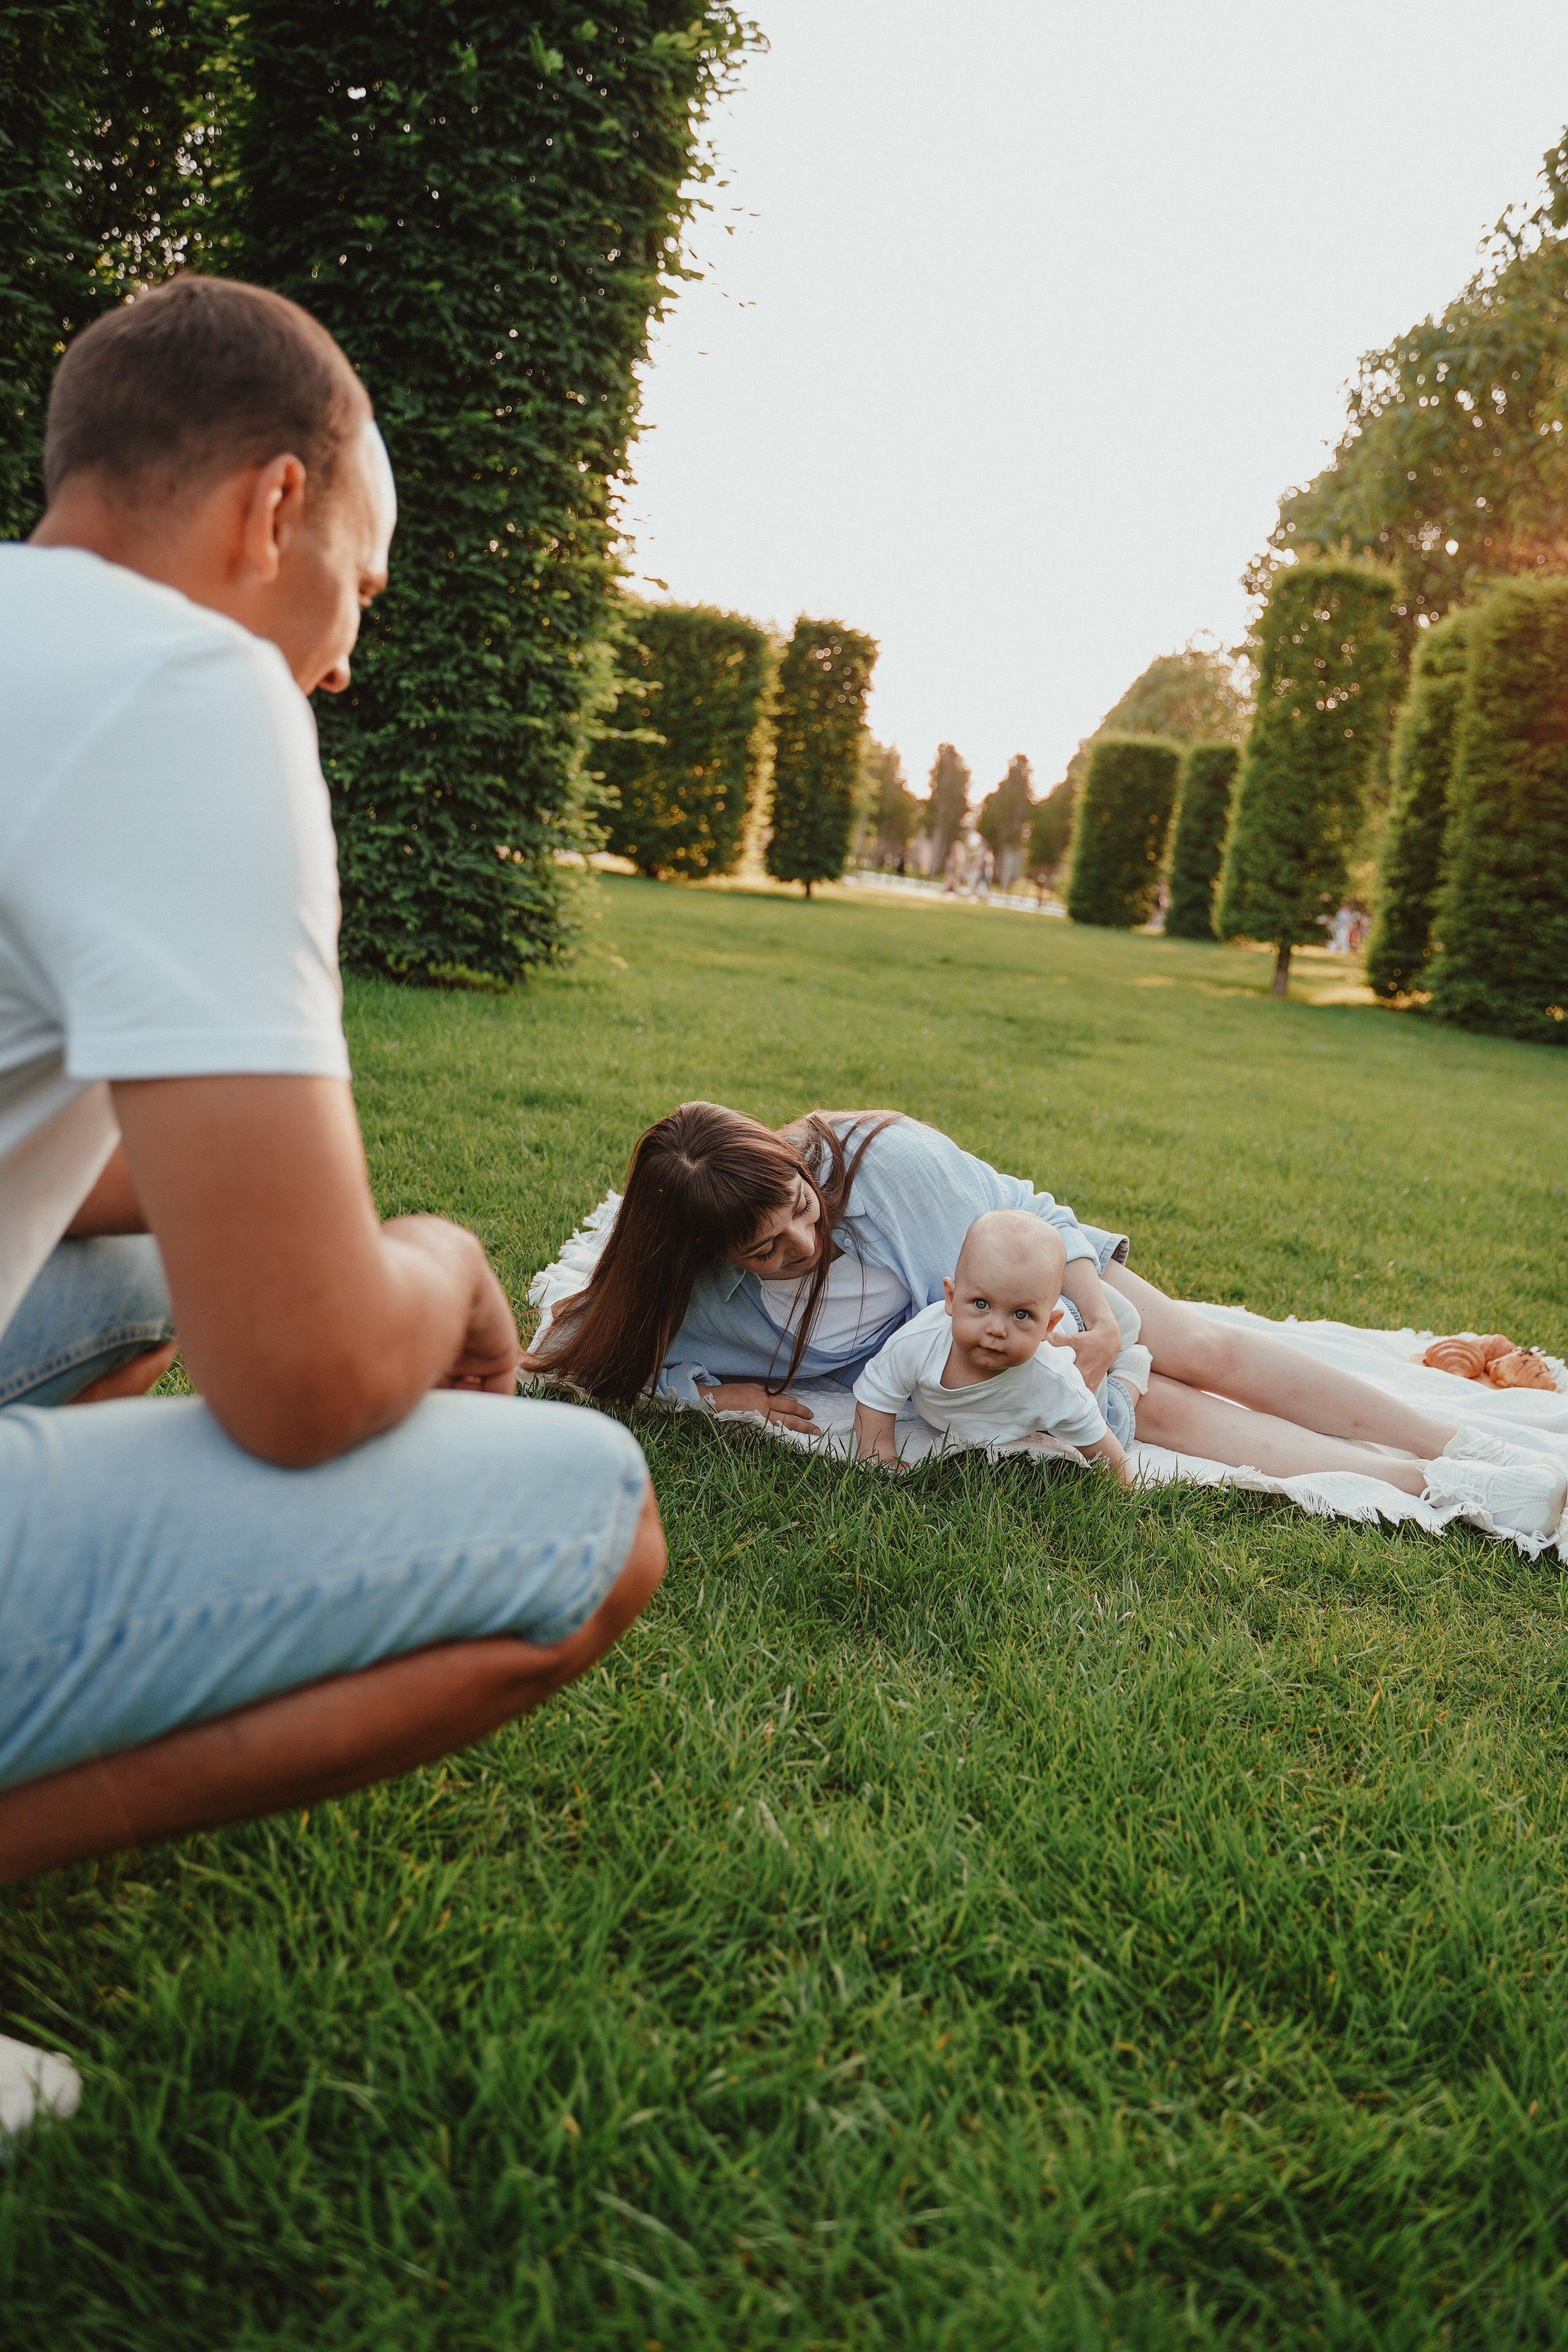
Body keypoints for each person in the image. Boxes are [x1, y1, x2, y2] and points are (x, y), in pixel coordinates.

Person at [0, 279, 666, 2064]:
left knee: (142, 1272)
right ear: (272, 506)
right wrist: (438, 1260)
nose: (345, 656)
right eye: (355, 588)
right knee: (592, 1521)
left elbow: (91, 1181)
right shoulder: (185, 685)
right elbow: (296, 1380)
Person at [526, 1103, 1566, 1540]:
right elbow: (582, 1357)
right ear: (712, 1260)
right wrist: (720, 1387)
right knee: (1170, 1416)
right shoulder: (707, 1304)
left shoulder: (889, 1166)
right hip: (994, 1330)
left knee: (1188, 1347)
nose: (802, 1242)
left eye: (800, 1207)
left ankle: (1453, 1436)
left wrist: (1100, 1317)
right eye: (765, 1249)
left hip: (1038, 1266)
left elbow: (1034, 1227)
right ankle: (1461, 1485)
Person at [851, 1211, 1142, 1479]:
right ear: (951, 1299)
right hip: (1047, 1315)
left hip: (1070, 1336)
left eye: (1020, 1314)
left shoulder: (1056, 1379)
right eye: (981, 1304)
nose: (996, 1329)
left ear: (1047, 1327)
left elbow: (1106, 1451)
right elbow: (878, 1393)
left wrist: (1127, 1496)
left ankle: (1130, 1365)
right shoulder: (918, 1343)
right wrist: (879, 1456)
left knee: (1112, 1425)